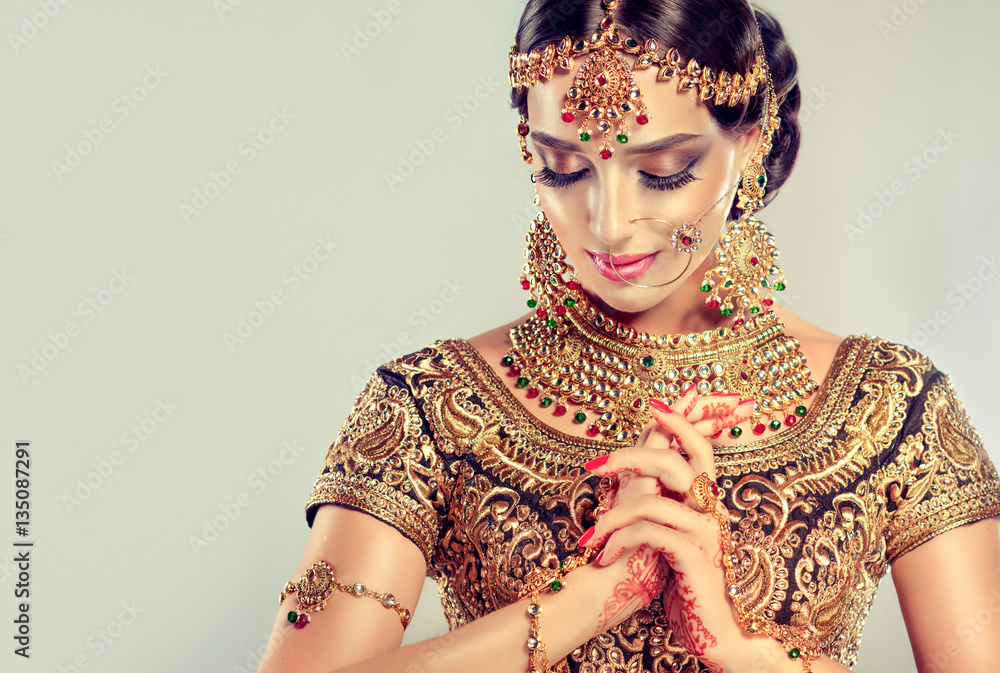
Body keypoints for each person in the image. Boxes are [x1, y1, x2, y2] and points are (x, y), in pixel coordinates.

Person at [256, 1, 1000, 671]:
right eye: (563, 168)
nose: (608, 224)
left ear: (750, 137)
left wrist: (745, 654)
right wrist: (587, 601)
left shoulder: (887, 404)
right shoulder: (431, 402)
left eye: (665, 171)